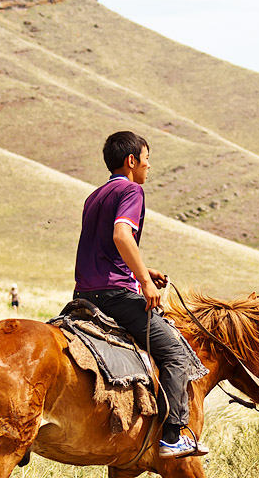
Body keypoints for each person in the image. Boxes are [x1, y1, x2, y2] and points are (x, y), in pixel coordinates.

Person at [72, 131, 204, 459]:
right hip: (115, 297)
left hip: (82, 297)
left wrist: (143, 270)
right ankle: (173, 435)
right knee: (174, 352)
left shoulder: (95, 195)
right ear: (131, 162)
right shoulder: (132, 190)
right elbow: (120, 235)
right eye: (146, 159)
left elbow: (104, 251)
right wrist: (144, 281)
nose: (149, 167)